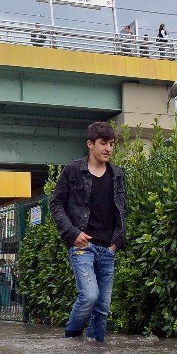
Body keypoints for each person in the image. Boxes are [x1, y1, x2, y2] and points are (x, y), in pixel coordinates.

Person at [50, 121, 127, 342]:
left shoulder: (117, 175)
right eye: (103, 143)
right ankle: (71, 341)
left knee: (102, 308)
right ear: (90, 144)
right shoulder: (73, 170)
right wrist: (72, 234)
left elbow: (122, 210)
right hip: (83, 247)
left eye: (111, 144)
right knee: (89, 296)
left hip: (108, 249)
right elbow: (56, 204)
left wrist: (118, 242)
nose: (108, 149)